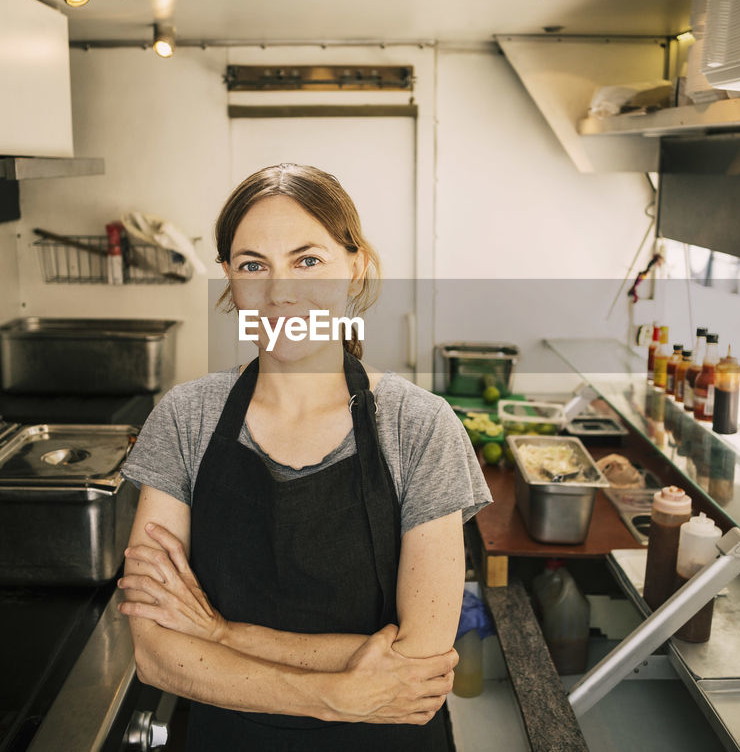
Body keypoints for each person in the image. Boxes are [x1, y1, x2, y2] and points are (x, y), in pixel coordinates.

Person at [117, 162, 493, 750]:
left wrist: (219, 634)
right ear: (229, 280)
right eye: (252, 266)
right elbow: (157, 655)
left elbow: (419, 664)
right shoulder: (186, 417)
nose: (280, 292)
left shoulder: (419, 427)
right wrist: (334, 694)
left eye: (307, 260)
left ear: (355, 266)